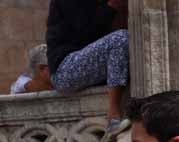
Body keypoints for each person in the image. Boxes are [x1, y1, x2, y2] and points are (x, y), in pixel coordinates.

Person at [45, 0, 129, 130]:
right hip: (64, 68)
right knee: (121, 39)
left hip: (90, 64)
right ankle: (113, 113)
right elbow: (84, 32)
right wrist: (111, 8)